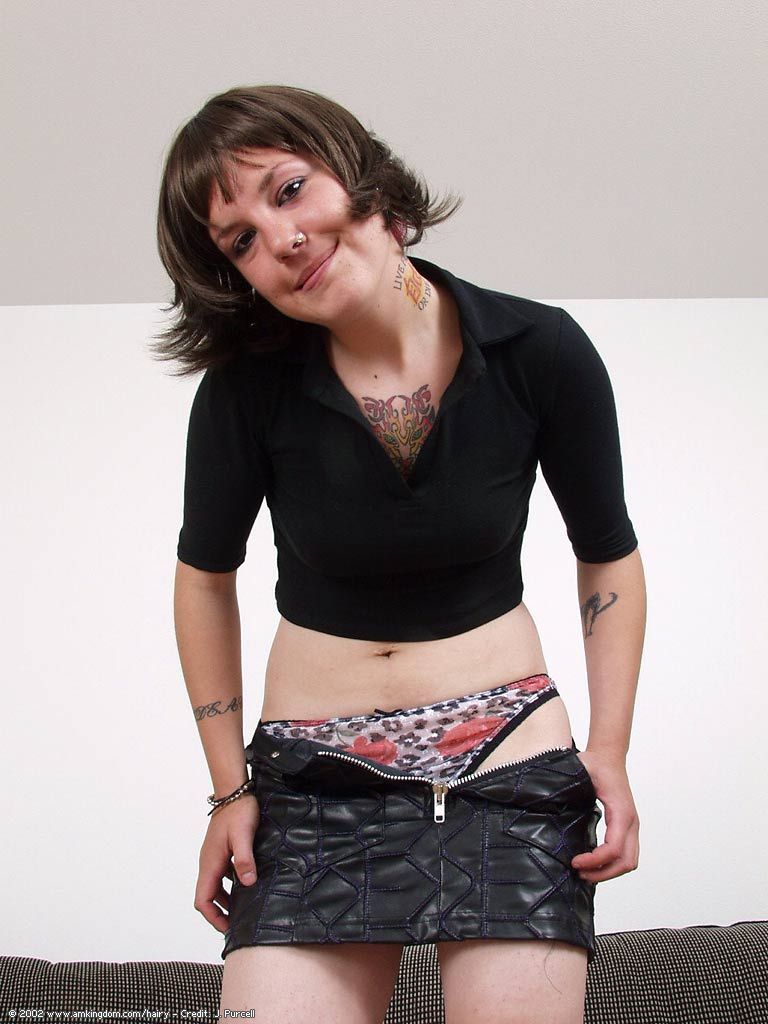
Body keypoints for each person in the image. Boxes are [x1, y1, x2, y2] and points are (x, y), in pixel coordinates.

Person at [154, 84, 645, 1024]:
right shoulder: (244, 393)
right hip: (311, 783)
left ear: (360, 175)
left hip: (508, 767)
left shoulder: (540, 349)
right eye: (241, 240)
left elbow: (609, 557)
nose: (280, 238)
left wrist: (611, 752)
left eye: (289, 190)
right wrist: (228, 791)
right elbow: (204, 581)